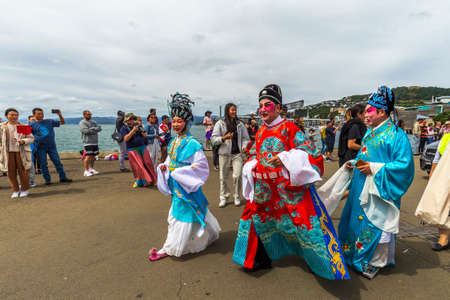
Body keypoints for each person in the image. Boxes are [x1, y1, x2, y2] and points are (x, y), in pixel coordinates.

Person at [232, 84, 350, 280]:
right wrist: (251, 164)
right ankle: (258, 258)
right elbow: (255, 153)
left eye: (267, 105)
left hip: (287, 190)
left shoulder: (290, 128)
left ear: (278, 108)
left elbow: (311, 152)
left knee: (305, 226)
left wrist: (286, 158)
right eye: (260, 105)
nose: (262, 109)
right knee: (257, 219)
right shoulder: (260, 132)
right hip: (265, 190)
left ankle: (320, 264)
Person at [335, 86, 414, 279]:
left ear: (382, 112)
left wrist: (375, 168)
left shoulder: (397, 136)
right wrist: (356, 163)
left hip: (379, 189)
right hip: (361, 186)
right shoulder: (371, 132)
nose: (365, 114)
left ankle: (374, 261)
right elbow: (366, 156)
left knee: (374, 224)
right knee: (356, 222)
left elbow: (404, 166)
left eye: (370, 110)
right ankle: (355, 256)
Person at [149, 92, 220, 261]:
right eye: (173, 121)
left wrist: (181, 172)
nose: (175, 124)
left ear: (187, 123)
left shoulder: (193, 144)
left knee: (177, 216)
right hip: (175, 184)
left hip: (185, 184)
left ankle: (171, 247)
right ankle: (205, 236)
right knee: (188, 212)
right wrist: (164, 166)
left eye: (179, 121)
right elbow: (170, 159)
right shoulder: (173, 142)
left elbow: (201, 166)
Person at [415, 131, 449, 251]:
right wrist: (431, 180)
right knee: (443, 208)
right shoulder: (446, 138)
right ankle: (443, 238)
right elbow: (436, 160)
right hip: (446, 178)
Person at [211, 103, 250, 207]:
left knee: (237, 176)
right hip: (224, 154)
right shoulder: (220, 123)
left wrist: (244, 146)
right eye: (232, 110)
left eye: (235, 110)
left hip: (237, 154)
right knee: (223, 177)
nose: (234, 112)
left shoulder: (240, 124)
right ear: (227, 111)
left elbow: (246, 138)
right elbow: (213, 139)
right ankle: (223, 197)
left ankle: (237, 196)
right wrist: (223, 138)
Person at [30, 108, 72, 185]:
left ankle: (63, 178)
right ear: (34, 115)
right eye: (38, 114)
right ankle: (47, 180)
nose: (41, 115)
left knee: (58, 163)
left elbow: (62, 122)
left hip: (51, 146)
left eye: (42, 113)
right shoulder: (32, 125)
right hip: (40, 147)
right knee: (43, 164)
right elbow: (28, 135)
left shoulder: (49, 121)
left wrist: (59, 114)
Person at [0, 108, 34, 198]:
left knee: (24, 171)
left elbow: (31, 138)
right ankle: (15, 190)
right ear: (6, 116)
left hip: (21, 151)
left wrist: (22, 141)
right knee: (10, 172)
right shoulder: (2, 126)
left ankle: (24, 189)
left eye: (16, 115)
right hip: (8, 152)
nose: (14, 117)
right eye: (12, 115)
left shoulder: (23, 126)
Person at [120, 113, 156, 188]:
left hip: (142, 147)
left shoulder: (137, 126)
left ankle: (152, 179)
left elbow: (144, 135)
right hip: (132, 149)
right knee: (138, 166)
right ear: (127, 120)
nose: (133, 120)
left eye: (133, 119)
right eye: (131, 119)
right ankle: (140, 180)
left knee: (148, 163)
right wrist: (133, 130)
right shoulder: (123, 128)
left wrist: (143, 134)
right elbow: (126, 139)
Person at [79, 110, 102, 177]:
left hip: (95, 141)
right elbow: (85, 131)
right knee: (88, 156)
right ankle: (86, 171)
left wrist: (91, 129)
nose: (90, 115)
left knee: (93, 156)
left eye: (90, 114)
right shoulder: (82, 122)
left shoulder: (94, 122)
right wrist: (95, 129)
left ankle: (91, 169)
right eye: (88, 114)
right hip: (87, 142)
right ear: (84, 115)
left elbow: (100, 128)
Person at [27, 115, 37, 188]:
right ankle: (27, 181)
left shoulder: (38, 127)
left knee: (32, 165)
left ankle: (31, 181)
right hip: (29, 146)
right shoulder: (27, 127)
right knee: (28, 165)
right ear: (29, 120)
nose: (34, 121)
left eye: (35, 120)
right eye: (32, 120)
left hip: (36, 146)